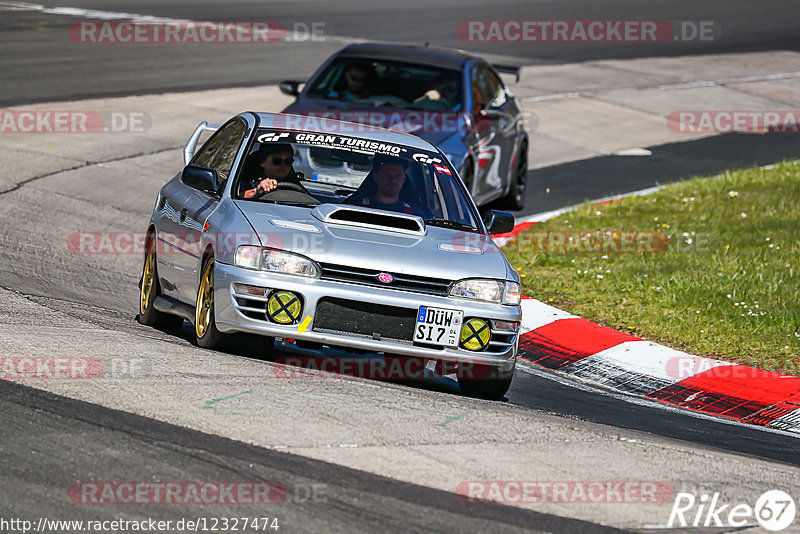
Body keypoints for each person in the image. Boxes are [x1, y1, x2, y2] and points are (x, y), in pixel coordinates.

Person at [348, 155, 429, 217]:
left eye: (398, 175)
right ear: (375, 176)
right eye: (386, 174)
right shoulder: (354, 209)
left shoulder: (416, 215)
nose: (393, 180)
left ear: (404, 178)